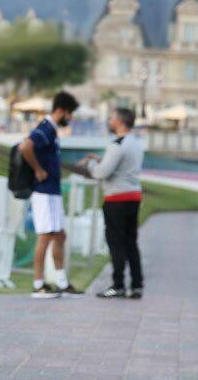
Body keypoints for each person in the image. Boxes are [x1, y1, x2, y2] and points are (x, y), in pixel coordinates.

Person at [18, 91, 81, 298]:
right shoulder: (46, 128)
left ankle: (61, 282)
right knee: (45, 236)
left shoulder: (51, 130)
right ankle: (38, 284)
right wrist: (38, 170)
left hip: (52, 191)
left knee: (60, 235)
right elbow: (26, 146)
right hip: (44, 192)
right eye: (70, 114)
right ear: (61, 110)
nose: (70, 118)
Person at [79, 107, 144, 299]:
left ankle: (118, 285)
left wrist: (91, 164)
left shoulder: (117, 144)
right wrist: (101, 160)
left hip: (117, 198)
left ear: (120, 122)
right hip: (133, 196)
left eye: (112, 118)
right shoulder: (135, 143)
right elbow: (121, 166)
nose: (109, 121)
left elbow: (101, 173)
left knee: (116, 242)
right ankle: (137, 285)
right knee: (131, 242)